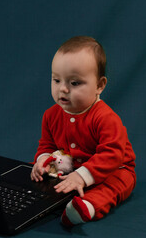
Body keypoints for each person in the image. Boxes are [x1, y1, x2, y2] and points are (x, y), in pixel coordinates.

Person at [30, 36, 136, 227]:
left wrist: (82, 176)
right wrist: (42, 162)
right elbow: (47, 145)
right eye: (56, 80)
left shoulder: (105, 118)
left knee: (116, 185)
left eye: (75, 83)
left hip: (114, 168)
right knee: (39, 177)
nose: (63, 89)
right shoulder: (50, 115)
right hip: (72, 169)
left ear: (99, 85)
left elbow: (112, 154)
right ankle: (39, 198)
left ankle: (87, 206)